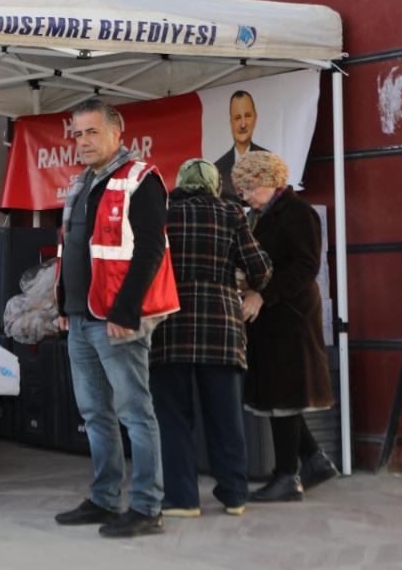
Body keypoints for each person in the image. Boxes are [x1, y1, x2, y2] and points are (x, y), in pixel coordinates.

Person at [53, 99, 179, 538]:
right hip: (81, 317)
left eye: (91, 132)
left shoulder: (140, 180)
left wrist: (125, 311)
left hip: (116, 318)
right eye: (78, 134)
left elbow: (150, 249)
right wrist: (65, 306)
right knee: (94, 413)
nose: (83, 141)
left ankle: (147, 507)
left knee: (135, 414)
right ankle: (105, 499)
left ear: (116, 133)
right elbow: (73, 250)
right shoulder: (82, 183)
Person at [149, 159, 272, 518]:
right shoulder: (232, 214)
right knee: (226, 417)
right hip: (221, 328)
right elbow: (260, 269)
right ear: (216, 185)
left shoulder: (163, 214)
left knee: (173, 418)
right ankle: (234, 495)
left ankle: (183, 499)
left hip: (169, 325)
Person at [234, 151, 338, 502]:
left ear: (268, 180)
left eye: (247, 187)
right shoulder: (257, 216)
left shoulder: (298, 213)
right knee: (277, 394)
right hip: (268, 316)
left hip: (291, 315)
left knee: (284, 396)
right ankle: (314, 460)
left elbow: (305, 267)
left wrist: (263, 295)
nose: (244, 195)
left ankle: (285, 477)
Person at [214, 91, 268, 203]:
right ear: (231, 122)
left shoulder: (268, 161)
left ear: (255, 118)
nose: (243, 124)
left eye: (247, 116)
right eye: (238, 118)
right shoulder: (217, 169)